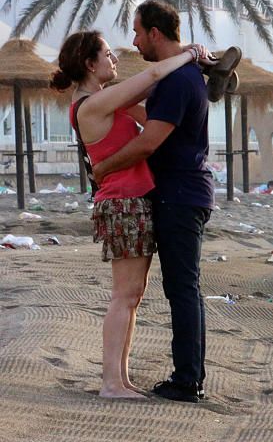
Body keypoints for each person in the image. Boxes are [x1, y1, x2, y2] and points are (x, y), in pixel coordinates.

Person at [51, 30, 210, 399]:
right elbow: (152, 77)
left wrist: (198, 76)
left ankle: (120, 381)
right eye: (107, 54)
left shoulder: (106, 100)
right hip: (121, 202)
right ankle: (110, 383)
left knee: (132, 295)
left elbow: (154, 103)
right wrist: (189, 54)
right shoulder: (91, 104)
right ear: (90, 63)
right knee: (124, 295)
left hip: (131, 200)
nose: (115, 59)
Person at [93, 0, 238, 403]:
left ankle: (188, 380)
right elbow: (148, 115)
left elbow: (149, 141)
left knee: (182, 289)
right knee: (182, 288)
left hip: (180, 194)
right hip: (182, 192)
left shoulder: (177, 82)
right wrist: (108, 100)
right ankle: (188, 375)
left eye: (138, 33)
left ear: (155, 33)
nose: (135, 42)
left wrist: (104, 167)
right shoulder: (180, 77)